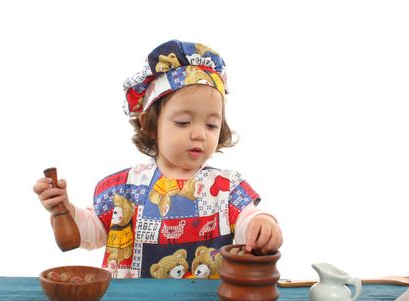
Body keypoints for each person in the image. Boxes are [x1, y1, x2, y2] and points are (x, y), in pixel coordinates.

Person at [33, 39, 283, 278]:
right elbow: (87, 235)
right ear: (150, 126)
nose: (199, 134)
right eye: (183, 122)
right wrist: (62, 209)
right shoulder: (124, 189)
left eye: (211, 124)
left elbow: (247, 220)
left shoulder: (226, 188)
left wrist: (261, 222)